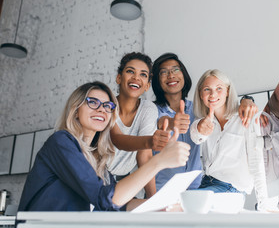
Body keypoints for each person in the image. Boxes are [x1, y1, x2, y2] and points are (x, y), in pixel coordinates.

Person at [18, 81, 189, 211]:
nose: (101, 110)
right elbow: (106, 198)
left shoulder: (96, 157)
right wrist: (158, 161)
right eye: (93, 102)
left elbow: (121, 205)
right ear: (76, 109)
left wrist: (163, 206)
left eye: (108, 106)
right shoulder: (61, 142)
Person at [151, 53, 259, 191]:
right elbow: (162, 122)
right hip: (163, 188)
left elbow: (221, 101)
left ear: (184, 74)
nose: (171, 75)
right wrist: (172, 122)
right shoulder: (151, 111)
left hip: (197, 186)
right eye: (164, 72)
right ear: (157, 81)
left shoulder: (197, 110)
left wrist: (247, 99)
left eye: (175, 70)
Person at [190, 69, 269, 208]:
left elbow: (257, 161)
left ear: (227, 91)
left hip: (232, 188)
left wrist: (264, 202)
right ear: (200, 94)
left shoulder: (246, 118)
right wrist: (201, 128)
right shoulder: (203, 121)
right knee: (180, 208)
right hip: (207, 183)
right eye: (207, 89)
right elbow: (197, 136)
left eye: (219, 88)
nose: (213, 94)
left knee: (187, 207)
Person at [107, 52, 163, 198]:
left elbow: (144, 155)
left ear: (147, 86)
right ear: (119, 78)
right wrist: (150, 141)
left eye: (143, 75)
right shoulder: (106, 103)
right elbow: (117, 139)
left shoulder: (148, 109)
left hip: (123, 184)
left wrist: (152, 199)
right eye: (130, 71)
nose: (136, 78)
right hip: (94, 178)